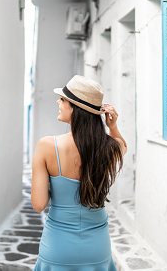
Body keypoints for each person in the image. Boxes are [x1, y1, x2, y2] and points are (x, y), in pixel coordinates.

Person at [31, 75, 127, 271]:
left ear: (75, 108)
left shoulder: (46, 146)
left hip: (58, 247)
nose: (58, 101)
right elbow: (122, 147)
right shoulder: (108, 148)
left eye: (63, 99)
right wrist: (113, 127)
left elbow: (38, 204)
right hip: (97, 249)